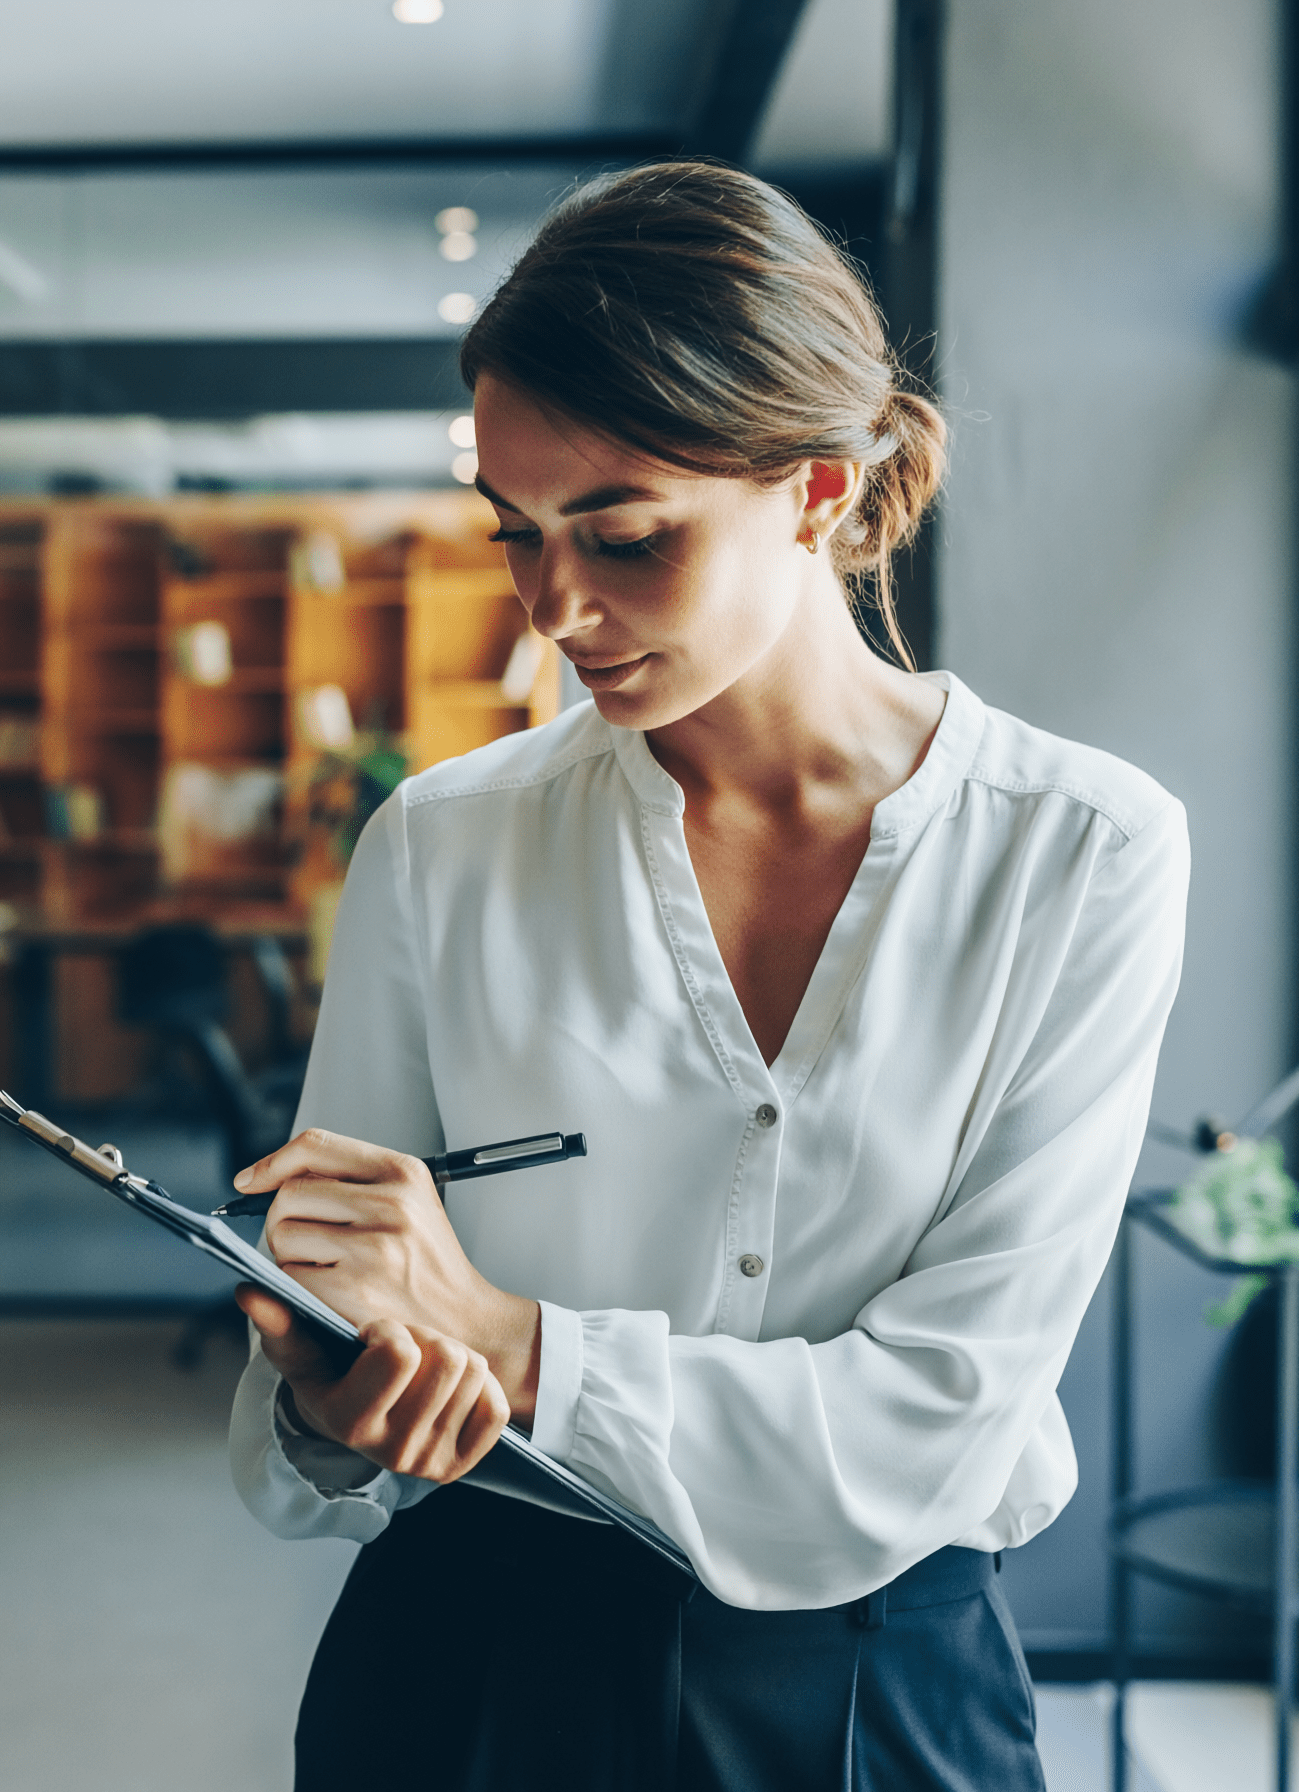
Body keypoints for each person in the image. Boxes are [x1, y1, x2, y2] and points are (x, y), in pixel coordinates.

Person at [226, 161, 1189, 1791]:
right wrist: (333, 1392)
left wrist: (520, 1347)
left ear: (817, 491)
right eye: (517, 533)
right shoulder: (442, 846)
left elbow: (941, 1414)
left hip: (878, 1687)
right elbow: (321, 1401)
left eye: (625, 536)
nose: (556, 607)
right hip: (474, 1656)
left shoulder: (1079, 850)